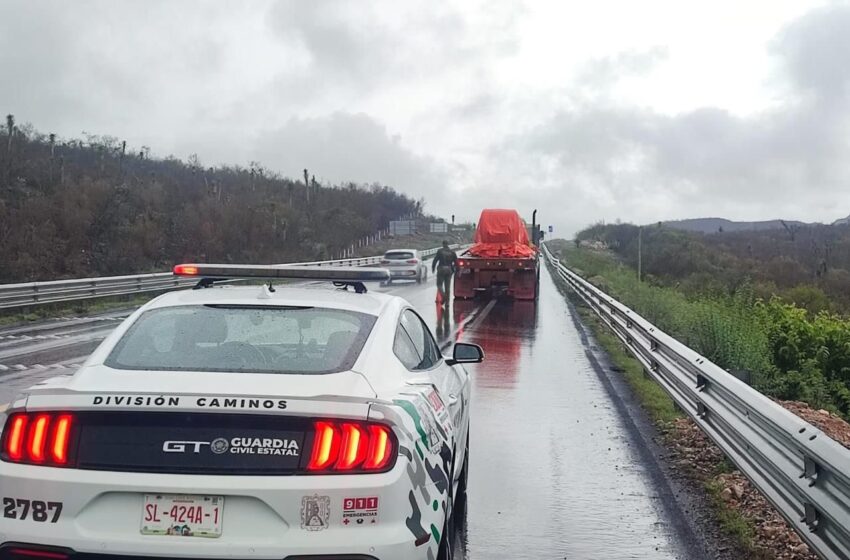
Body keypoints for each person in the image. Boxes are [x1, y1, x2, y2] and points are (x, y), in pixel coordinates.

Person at [432, 241, 457, 305]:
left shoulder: (440, 251)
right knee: (447, 287)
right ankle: (447, 303)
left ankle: (444, 297)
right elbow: (456, 262)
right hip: (449, 269)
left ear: (443, 244)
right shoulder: (452, 252)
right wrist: (456, 270)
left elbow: (435, 260)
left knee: (439, 285)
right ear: (448, 244)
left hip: (441, 268)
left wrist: (433, 268)